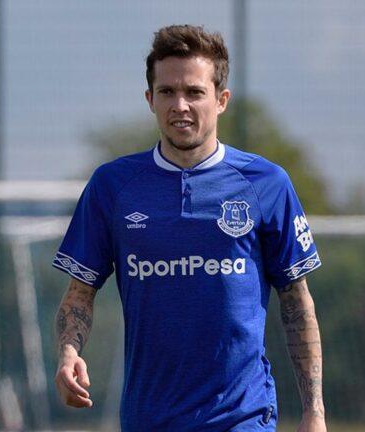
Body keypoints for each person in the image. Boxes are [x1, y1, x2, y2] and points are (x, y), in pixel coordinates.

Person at [53, 24, 326, 432]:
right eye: (167, 92)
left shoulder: (267, 183)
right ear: (150, 99)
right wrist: (68, 353)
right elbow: (79, 293)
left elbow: (297, 301)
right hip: (149, 418)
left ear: (221, 99)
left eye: (194, 92)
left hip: (243, 416)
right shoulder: (113, 186)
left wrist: (314, 411)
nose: (180, 105)